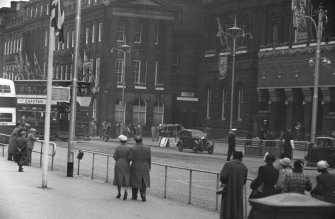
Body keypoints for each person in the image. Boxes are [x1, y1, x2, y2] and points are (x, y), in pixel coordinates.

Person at [248, 154, 278, 219]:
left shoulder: (262, 168)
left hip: (262, 191)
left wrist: (253, 185)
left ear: (266, 160)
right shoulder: (276, 171)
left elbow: (259, 180)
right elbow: (275, 182)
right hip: (271, 191)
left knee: (256, 210)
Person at [220, 151, 248, 219]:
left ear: (233, 156)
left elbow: (222, 178)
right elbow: (244, 181)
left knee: (227, 208)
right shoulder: (244, 167)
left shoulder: (228, 164)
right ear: (241, 158)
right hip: (238, 192)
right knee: (237, 208)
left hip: (228, 191)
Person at [130, 135, 151, 202]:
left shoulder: (133, 148)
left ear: (135, 141)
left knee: (134, 180)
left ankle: (134, 196)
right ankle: (143, 193)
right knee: (143, 181)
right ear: (142, 140)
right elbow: (149, 159)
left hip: (135, 165)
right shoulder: (147, 148)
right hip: (145, 166)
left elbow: (131, 158)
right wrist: (149, 167)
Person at [113, 135, 131, 200]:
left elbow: (115, 156)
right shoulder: (129, 148)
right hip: (126, 163)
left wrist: (118, 160)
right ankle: (125, 190)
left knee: (118, 177)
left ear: (120, 141)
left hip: (119, 163)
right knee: (125, 177)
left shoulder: (117, 147)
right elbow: (130, 157)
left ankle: (119, 193)